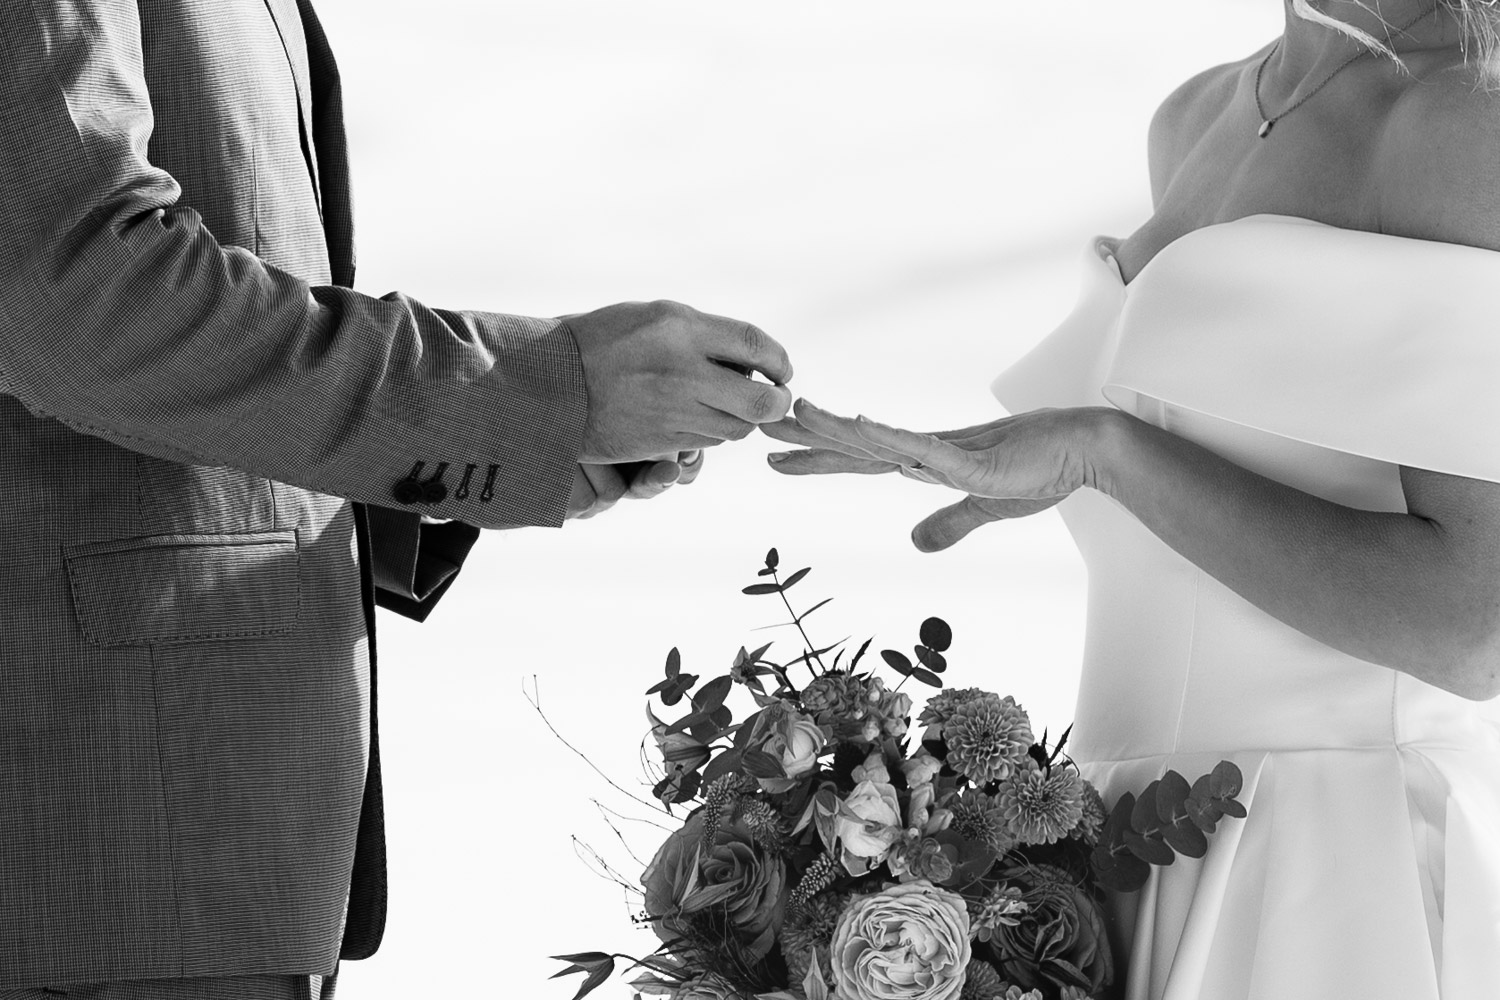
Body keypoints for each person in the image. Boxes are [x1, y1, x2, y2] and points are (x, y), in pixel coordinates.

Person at [0, 2, 793, 999]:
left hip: (207, 848)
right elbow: (81, 299)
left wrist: (508, 448)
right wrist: (528, 397)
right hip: (94, 850)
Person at [766, 1, 1500, 996]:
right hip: (1119, 851)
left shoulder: (1464, 119)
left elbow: (1474, 626)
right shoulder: (1198, 113)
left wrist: (1105, 456)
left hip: (1326, 875)